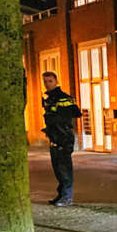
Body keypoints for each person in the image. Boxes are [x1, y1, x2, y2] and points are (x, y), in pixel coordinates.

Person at [41, 72, 82, 207]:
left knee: (64, 169)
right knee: (57, 169)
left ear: (56, 82)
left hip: (63, 138)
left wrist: (59, 114)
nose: (47, 84)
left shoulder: (63, 98)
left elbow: (76, 112)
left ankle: (67, 197)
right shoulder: (50, 99)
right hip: (54, 137)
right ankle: (62, 194)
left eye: (50, 81)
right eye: (45, 81)